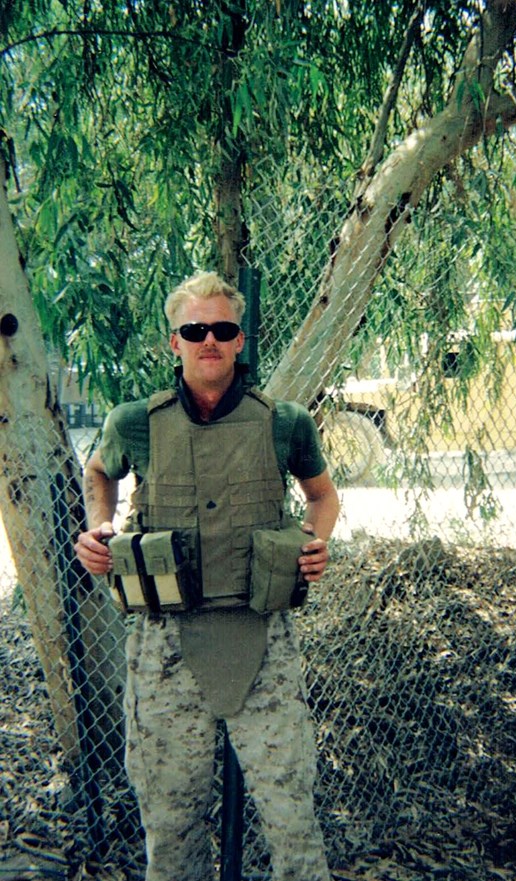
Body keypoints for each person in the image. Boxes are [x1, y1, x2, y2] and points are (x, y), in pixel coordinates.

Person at [74, 270, 340, 881]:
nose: (209, 341)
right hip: (164, 643)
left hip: (261, 639)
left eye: (222, 329)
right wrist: (100, 527)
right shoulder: (134, 422)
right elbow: (99, 472)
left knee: (292, 818)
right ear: (175, 343)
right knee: (169, 825)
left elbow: (323, 497)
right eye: (195, 330)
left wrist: (316, 543)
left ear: (240, 339)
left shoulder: (286, 423)